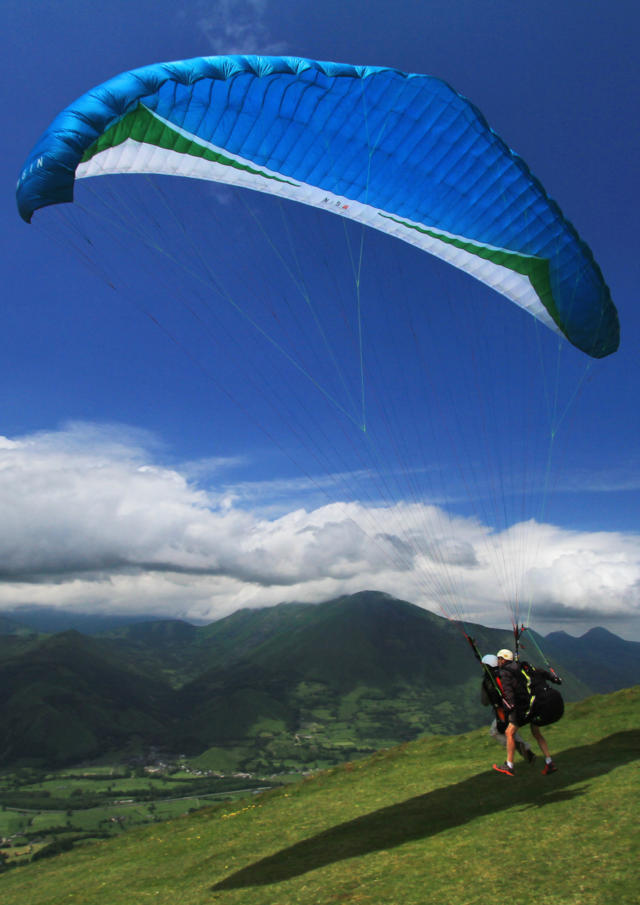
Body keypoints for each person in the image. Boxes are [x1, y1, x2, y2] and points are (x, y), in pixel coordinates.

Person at [492, 649, 562, 777]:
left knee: (509, 732)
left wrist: (510, 707)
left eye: (499, 658)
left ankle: (509, 765)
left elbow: (508, 691)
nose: (498, 661)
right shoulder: (522, 665)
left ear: (503, 660)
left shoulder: (504, 673)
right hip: (538, 702)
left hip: (525, 706)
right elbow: (540, 672)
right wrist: (554, 678)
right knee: (536, 732)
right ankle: (549, 762)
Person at [480, 654, 535, 763]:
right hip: (520, 706)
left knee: (495, 731)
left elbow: (485, 702)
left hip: (504, 712)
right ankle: (527, 751)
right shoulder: (506, 673)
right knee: (511, 730)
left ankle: (518, 747)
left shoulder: (488, 682)